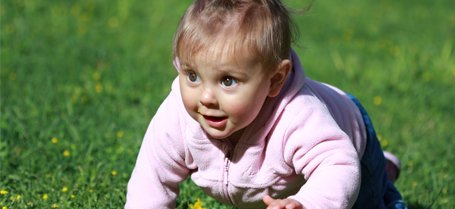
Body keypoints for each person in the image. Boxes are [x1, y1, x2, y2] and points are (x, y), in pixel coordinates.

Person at [125, 0, 408, 208]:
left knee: (367, 199)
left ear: (274, 80)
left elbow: (337, 165)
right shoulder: (178, 115)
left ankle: (380, 170)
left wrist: (307, 203)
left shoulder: (299, 115)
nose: (206, 98)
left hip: (351, 138)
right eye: (193, 75)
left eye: (227, 81)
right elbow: (152, 179)